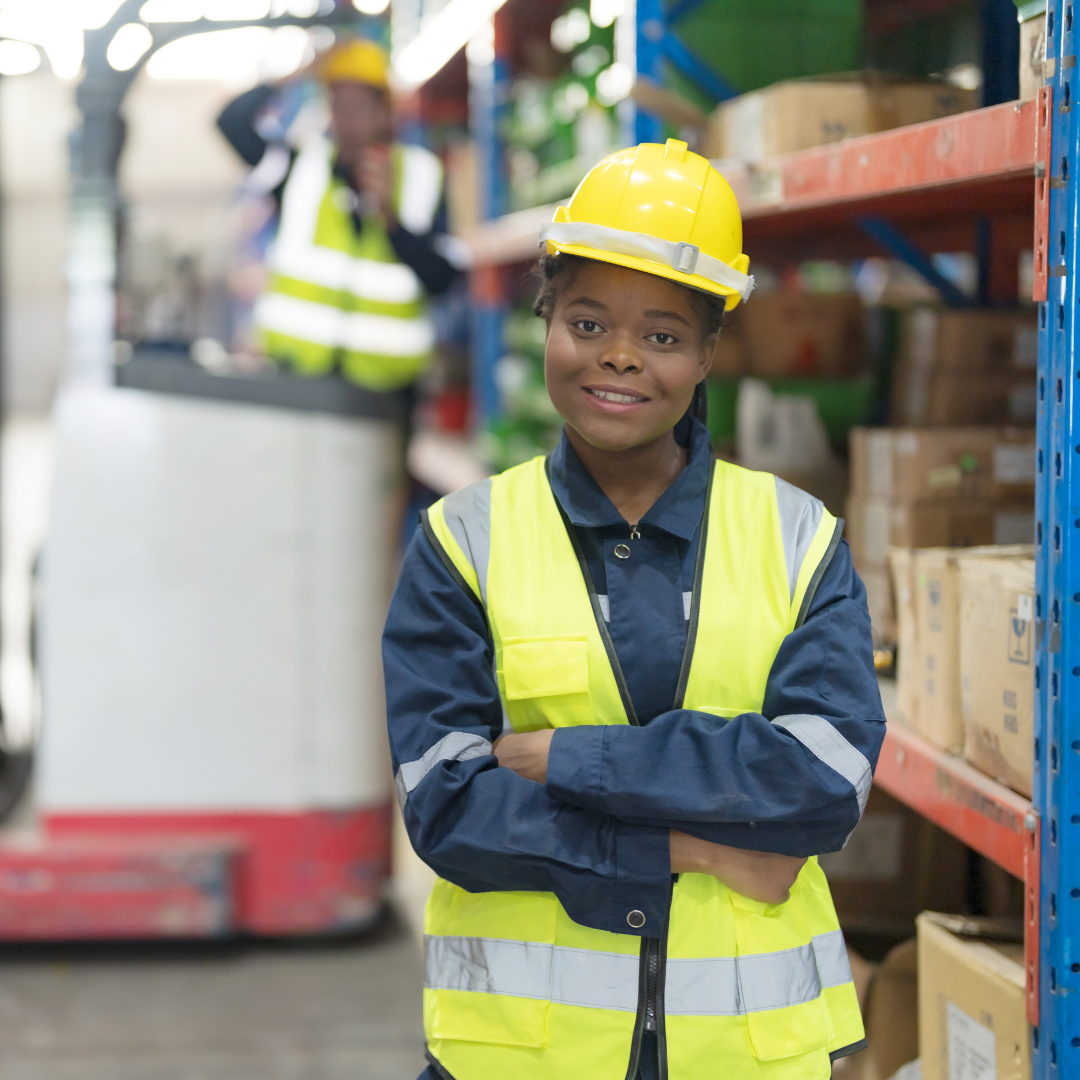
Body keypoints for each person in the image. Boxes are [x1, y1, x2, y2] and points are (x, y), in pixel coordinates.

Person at [384, 139, 885, 1080]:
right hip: (521, 1059)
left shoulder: (797, 538)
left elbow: (823, 781)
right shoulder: (462, 542)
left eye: (661, 335)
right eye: (586, 321)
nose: (618, 356)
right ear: (546, 321)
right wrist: (697, 845)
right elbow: (448, 809)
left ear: (706, 353)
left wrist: (572, 758)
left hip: (743, 1058)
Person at [217, 38, 457, 390]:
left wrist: (390, 216)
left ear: (385, 112)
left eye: (359, 107)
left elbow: (443, 280)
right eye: (339, 106)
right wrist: (303, 71)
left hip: (386, 388)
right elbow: (232, 123)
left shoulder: (424, 176)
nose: (348, 120)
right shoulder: (298, 168)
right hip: (296, 375)